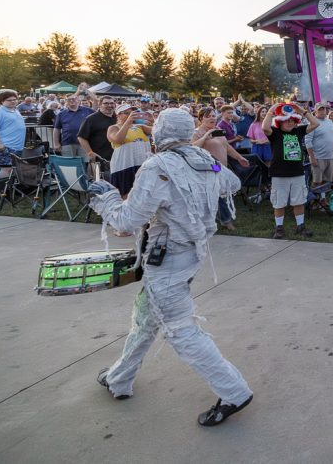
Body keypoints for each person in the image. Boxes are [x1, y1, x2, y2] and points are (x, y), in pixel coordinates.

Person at [86, 108, 253, 426]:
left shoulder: (158, 165)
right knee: (145, 320)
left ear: (161, 132)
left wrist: (105, 197)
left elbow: (126, 221)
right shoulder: (203, 161)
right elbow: (230, 181)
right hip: (188, 254)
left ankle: (234, 391)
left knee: (181, 331)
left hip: (168, 261)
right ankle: (120, 378)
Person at [262, 102, 320, 239]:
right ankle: (279, 228)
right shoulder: (275, 132)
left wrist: (302, 111)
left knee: (299, 201)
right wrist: (271, 111)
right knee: (279, 202)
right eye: (286, 120)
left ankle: (300, 226)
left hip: (297, 173)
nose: (290, 123)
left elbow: (315, 123)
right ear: (280, 122)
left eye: (292, 120)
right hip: (279, 173)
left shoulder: (298, 131)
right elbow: (264, 127)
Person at [105, 104, 154, 197]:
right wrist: (128, 122)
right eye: (127, 113)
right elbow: (117, 139)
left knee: (144, 194)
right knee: (125, 194)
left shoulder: (140, 126)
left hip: (142, 165)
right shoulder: (113, 127)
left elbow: (159, 132)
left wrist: (153, 120)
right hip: (124, 166)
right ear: (118, 115)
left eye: (132, 113)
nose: (130, 115)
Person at [0, 89, 27, 165]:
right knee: (7, 169)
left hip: (17, 146)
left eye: (14, 99)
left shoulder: (16, 110)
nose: (13, 101)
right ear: (2, 101)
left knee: (13, 169)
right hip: (5, 146)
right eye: (9, 100)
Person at [304, 102, 333, 188]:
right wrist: (312, 157)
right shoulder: (312, 123)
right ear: (315, 111)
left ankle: (323, 196)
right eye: (320, 110)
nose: (322, 111)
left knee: (327, 180)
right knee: (317, 181)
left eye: (324, 109)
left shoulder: (330, 122)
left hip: (329, 156)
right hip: (318, 157)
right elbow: (308, 141)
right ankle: (315, 196)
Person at [77, 97, 118, 166]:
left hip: (117, 155)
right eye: (106, 103)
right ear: (100, 105)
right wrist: (90, 152)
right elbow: (81, 137)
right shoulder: (91, 119)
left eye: (112, 103)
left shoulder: (118, 117)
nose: (109, 105)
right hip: (99, 157)